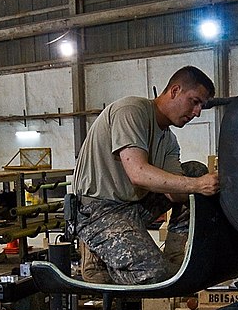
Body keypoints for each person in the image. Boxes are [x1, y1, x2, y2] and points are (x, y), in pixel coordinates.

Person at [72, 65, 220, 285]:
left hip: (134, 206)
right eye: (195, 101)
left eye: (202, 106)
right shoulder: (131, 111)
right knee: (155, 276)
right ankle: (97, 261)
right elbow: (138, 173)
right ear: (175, 91)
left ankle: (176, 259)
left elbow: (175, 194)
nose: (197, 112)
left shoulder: (169, 140)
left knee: (195, 171)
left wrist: (213, 184)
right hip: (97, 210)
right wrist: (197, 186)